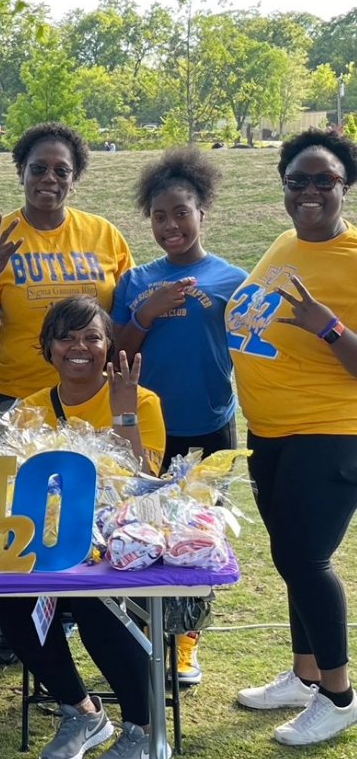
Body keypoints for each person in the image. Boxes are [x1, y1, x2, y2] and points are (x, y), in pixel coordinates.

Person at [0, 122, 133, 665]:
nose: (49, 179)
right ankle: (17, 623)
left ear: (75, 178)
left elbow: (122, 324)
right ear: (22, 172)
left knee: (89, 512)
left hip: (94, 402)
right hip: (20, 403)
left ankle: (85, 616)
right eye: (39, 168)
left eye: (62, 170)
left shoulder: (103, 236)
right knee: (25, 516)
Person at [0, 296, 167, 759]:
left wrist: (126, 414)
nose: (79, 347)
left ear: (109, 345)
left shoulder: (140, 398)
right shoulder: (28, 412)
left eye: (92, 337)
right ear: (47, 347)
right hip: (50, 549)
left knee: (97, 603)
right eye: (66, 337)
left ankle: (145, 728)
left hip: (120, 548)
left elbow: (144, 483)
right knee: (12, 602)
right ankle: (84, 711)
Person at [228, 128, 357, 746]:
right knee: (289, 556)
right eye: (297, 180)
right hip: (270, 432)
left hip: (330, 432)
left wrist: (329, 328)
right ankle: (306, 675)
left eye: (323, 180)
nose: (309, 191)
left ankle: (338, 695)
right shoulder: (285, 242)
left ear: (345, 186)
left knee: (306, 559)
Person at [112, 148, 246, 685]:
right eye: (160, 216)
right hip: (150, 429)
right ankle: (144, 635)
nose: (171, 225)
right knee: (142, 532)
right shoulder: (137, 279)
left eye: (181, 212)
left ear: (202, 212)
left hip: (212, 421)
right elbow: (117, 351)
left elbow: (253, 348)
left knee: (200, 538)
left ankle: (188, 642)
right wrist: (148, 308)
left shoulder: (232, 278)